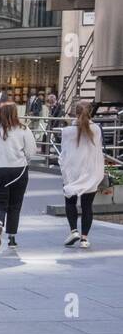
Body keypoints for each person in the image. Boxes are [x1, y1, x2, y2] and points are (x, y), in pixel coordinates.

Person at [0, 101, 38, 250]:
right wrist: (23, 160)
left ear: (0, 113)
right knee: (15, 205)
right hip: (18, 171)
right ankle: (12, 238)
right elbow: (32, 150)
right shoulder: (23, 129)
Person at [60, 101, 106, 249]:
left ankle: (73, 230)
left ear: (75, 113)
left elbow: (64, 153)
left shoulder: (67, 131)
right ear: (91, 112)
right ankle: (84, 239)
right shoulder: (97, 130)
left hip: (72, 172)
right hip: (91, 173)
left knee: (70, 202)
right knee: (87, 206)